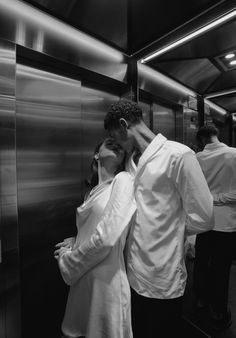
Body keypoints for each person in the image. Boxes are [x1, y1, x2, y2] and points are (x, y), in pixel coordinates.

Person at [104, 100, 214, 338]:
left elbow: (204, 216)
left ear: (124, 126)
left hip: (162, 276)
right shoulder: (131, 162)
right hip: (131, 272)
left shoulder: (178, 155)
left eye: (117, 137)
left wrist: (172, 232)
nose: (119, 146)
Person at [54, 138, 136, 338]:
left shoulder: (123, 180)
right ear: (97, 154)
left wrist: (67, 261)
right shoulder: (90, 194)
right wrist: (77, 239)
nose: (115, 144)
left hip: (107, 281)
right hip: (84, 279)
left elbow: (107, 237)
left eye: (119, 145)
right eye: (109, 143)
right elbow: (97, 227)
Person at [193, 125, 236, 331]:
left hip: (203, 220)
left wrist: (209, 199)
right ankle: (218, 311)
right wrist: (218, 198)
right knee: (221, 269)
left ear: (202, 139)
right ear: (216, 135)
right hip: (226, 224)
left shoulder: (197, 158)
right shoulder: (234, 154)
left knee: (201, 263)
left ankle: (200, 300)